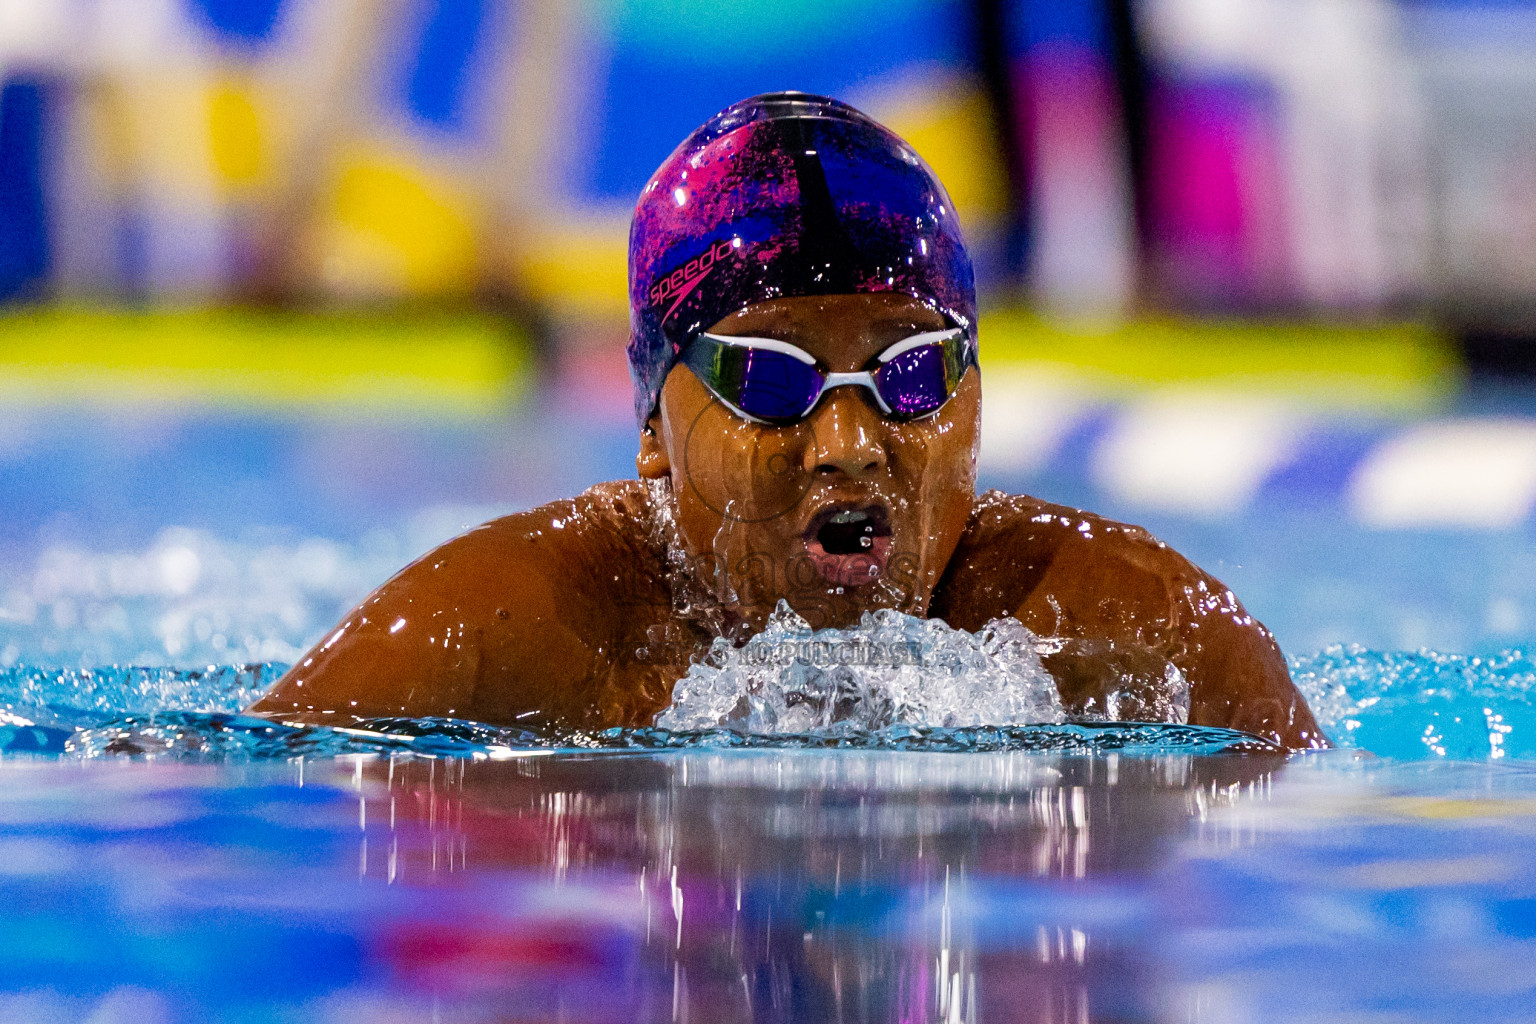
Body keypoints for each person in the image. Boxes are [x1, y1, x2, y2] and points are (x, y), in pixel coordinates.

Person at [249, 92, 1326, 749]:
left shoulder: (1145, 640)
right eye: (769, 378)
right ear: (651, 428)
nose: (850, 445)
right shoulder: (493, 638)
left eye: (910, 374)